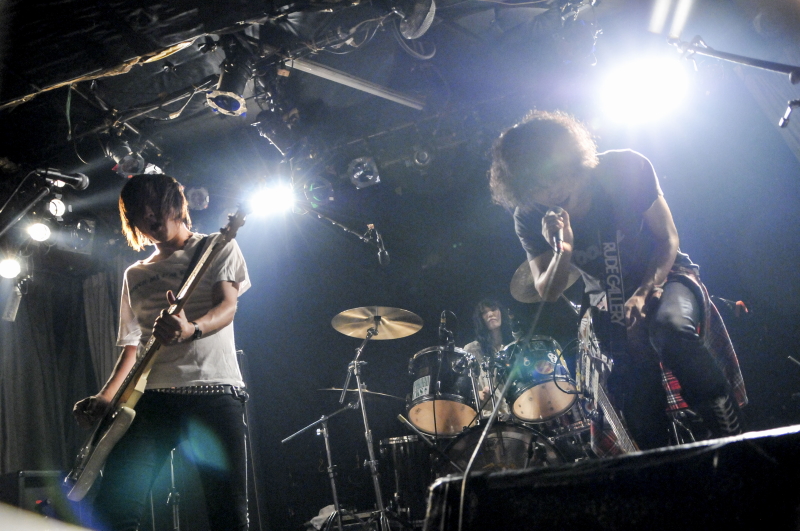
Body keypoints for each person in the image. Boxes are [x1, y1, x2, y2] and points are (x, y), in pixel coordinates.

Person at [489, 110, 747, 450]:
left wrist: (645, 291)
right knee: (637, 402)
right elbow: (547, 291)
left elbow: (668, 239)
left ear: (569, 158)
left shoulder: (625, 168)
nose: (549, 191)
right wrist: (563, 250)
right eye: (535, 187)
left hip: (666, 276)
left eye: (552, 175)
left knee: (670, 329)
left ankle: (732, 437)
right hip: (607, 303)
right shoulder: (528, 216)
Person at [72, 174, 251, 531]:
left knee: (227, 513)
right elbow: (132, 346)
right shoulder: (134, 274)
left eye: (155, 205)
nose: (149, 216)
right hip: (151, 401)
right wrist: (105, 398)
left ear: (176, 204)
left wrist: (191, 329)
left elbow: (227, 307)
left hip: (213, 393)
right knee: (115, 508)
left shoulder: (217, 246)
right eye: (139, 211)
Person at [462, 298, 513, 417]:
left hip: (517, 413)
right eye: (484, 312)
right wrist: (478, 394)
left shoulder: (513, 347)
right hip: (488, 415)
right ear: (480, 319)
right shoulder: (471, 349)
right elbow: (463, 388)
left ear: (501, 313)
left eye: (493, 309)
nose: (490, 314)